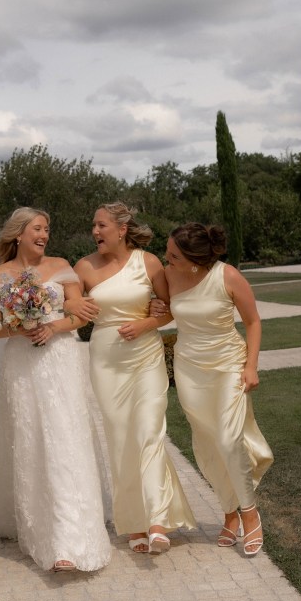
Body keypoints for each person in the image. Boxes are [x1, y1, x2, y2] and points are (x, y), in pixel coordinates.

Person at [0, 207, 111, 574]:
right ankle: (39, 526)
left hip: (59, 361)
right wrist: (16, 326)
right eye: (38, 228)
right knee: (31, 440)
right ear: (18, 233)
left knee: (65, 439)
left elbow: (80, 315)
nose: (44, 235)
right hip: (21, 365)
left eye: (47, 229)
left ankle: (68, 540)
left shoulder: (61, 266)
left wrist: (52, 326)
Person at [68, 203, 196, 555]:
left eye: (101, 225)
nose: (95, 231)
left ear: (122, 229)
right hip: (106, 361)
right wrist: (66, 308)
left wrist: (146, 323)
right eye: (93, 225)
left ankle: (157, 520)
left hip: (145, 355)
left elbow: (169, 309)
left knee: (149, 431)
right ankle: (133, 522)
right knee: (121, 438)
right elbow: (74, 311)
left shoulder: (149, 262)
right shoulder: (83, 267)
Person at [163, 223, 273, 556]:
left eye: (173, 255)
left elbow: (253, 321)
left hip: (228, 365)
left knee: (228, 438)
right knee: (208, 442)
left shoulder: (228, 276)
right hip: (189, 369)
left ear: (194, 259)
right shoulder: (169, 275)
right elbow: (162, 309)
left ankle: (249, 512)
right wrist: (155, 309)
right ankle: (229, 513)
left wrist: (251, 366)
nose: (166, 258)